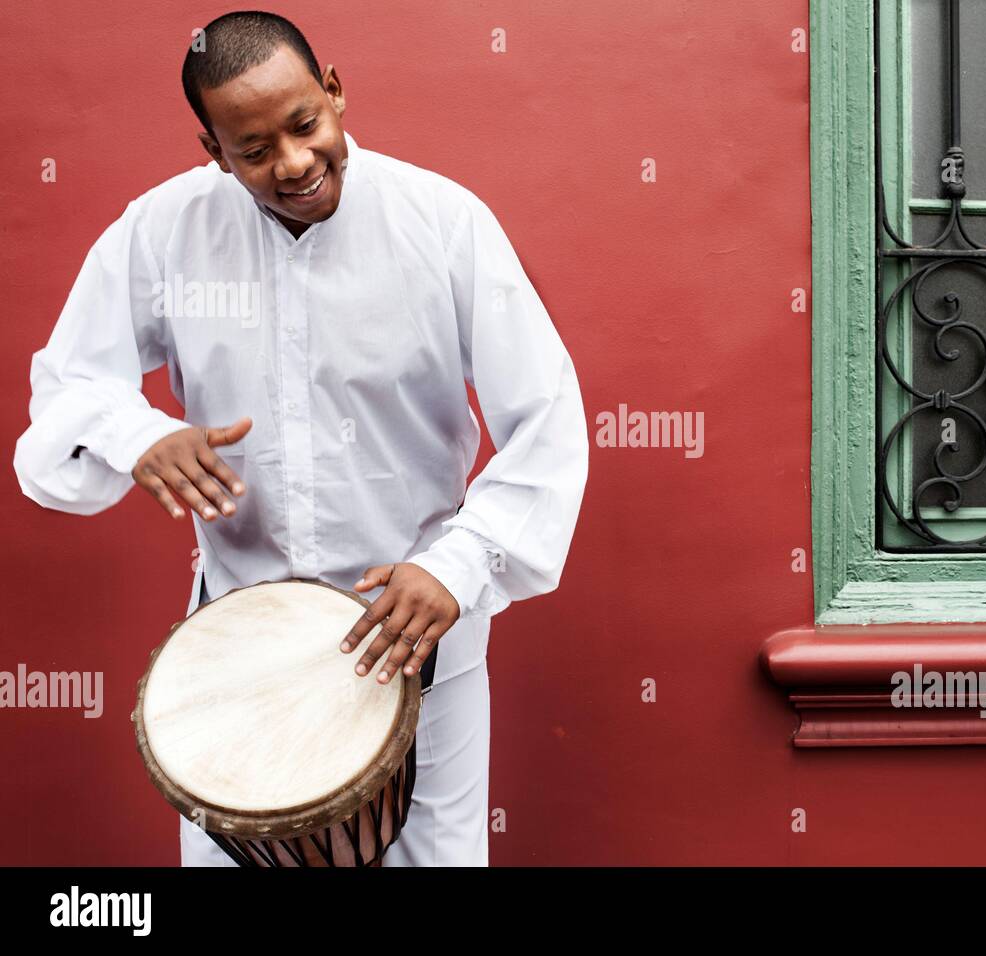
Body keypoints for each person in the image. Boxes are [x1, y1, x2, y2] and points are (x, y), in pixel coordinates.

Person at [12, 11, 589, 867]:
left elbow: (549, 418)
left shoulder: (443, 221)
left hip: (422, 648)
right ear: (212, 150)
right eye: (252, 150)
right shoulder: (161, 231)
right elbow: (63, 396)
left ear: (335, 89)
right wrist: (137, 434)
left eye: (306, 124)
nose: (292, 162)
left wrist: (456, 565)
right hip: (235, 662)